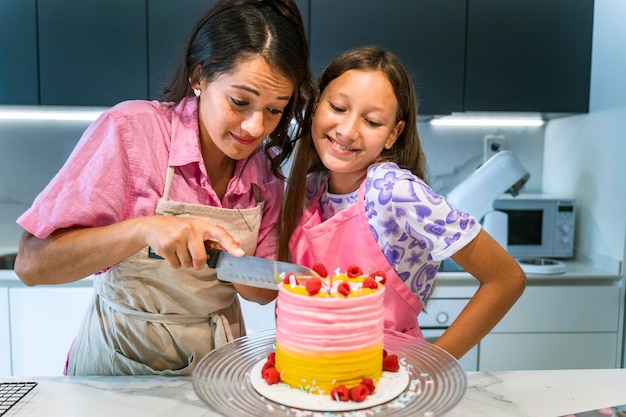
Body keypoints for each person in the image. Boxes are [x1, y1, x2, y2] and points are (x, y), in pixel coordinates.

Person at [14, 0, 313, 375]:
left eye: (275, 110)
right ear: (199, 76)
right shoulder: (131, 132)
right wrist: (143, 229)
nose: (255, 128)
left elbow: (262, 292)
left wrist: (231, 261)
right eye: (240, 101)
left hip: (216, 369)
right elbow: (31, 264)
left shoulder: (264, 172)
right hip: (118, 368)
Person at [278, 46, 526, 360]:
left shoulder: (394, 190)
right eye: (338, 107)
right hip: (310, 377)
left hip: (387, 385)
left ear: (393, 134)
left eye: (371, 121)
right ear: (315, 106)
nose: (347, 130)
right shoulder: (311, 188)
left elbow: (506, 278)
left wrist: (437, 362)